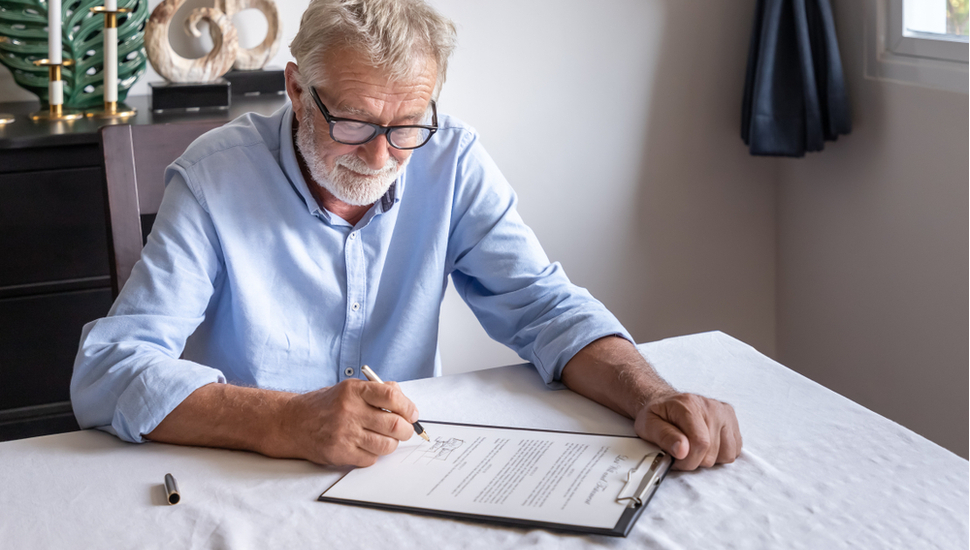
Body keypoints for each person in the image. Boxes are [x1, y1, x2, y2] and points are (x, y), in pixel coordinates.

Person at [71, 0, 741, 471]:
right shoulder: (216, 178)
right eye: (355, 123)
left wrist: (652, 396)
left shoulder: (452, 159)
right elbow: (107, 372)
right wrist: (283, 421)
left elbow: (548, 310)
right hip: (248, 475)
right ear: (299, 91)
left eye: (408, 126)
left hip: (404, 473)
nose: (382, 157)